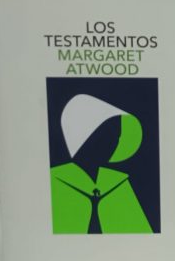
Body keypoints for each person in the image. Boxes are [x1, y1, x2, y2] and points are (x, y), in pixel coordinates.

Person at [50, 94, 153, 234]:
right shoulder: (54, 182)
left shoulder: (118, 183)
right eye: (105, 135)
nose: (113, 143)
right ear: (83, 137)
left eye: (117, 136)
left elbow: (140, 233)